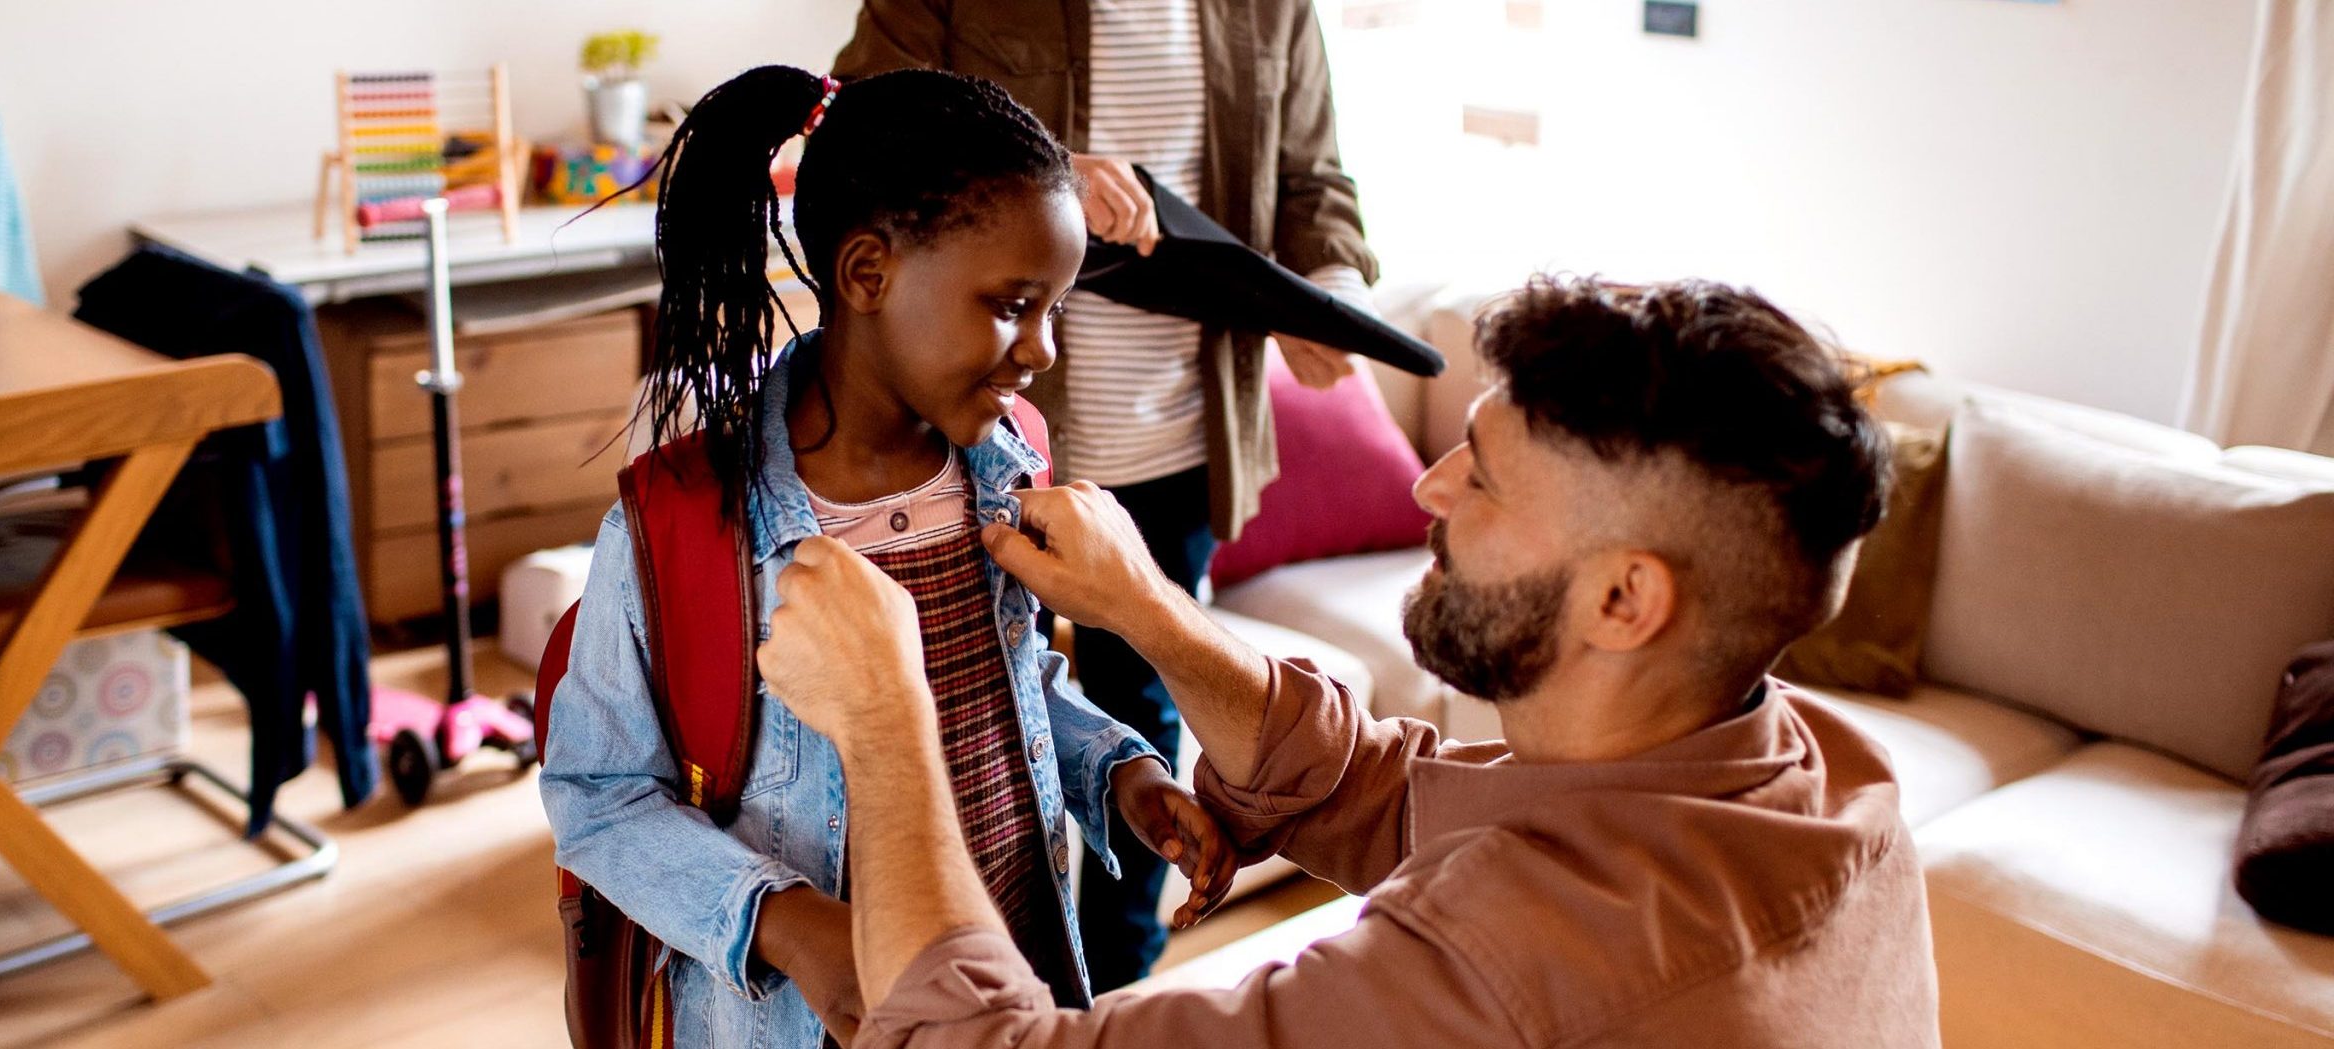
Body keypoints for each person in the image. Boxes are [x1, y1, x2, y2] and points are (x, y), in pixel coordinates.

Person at [757, 276, 1945, 1047]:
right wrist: (1149, 612)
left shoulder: (1501, 973)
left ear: (1623, 598)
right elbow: (1386, 791)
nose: (1426, 485)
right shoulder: (1832, 775)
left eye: (1479, 478)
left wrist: (884, 719)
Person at [538, 65, 1240, 1048]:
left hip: (1011, 971)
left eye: (1055, 310)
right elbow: (598, 798)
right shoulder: (684, 522)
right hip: (811, 1016)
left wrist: (1118, 774)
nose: (1039, 348)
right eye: (1010, 304)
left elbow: (1009, 681)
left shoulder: (1004, 463)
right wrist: (784, 921)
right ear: (867, 274)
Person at [832, 0, 1380, 990]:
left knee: (1145, 735)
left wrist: (1328, 283)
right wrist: (1040, 173)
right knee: (949, 705)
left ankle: (1106, 998)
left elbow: (1312, 180)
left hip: (1182, 444)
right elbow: (859, 125)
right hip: (980, 430)